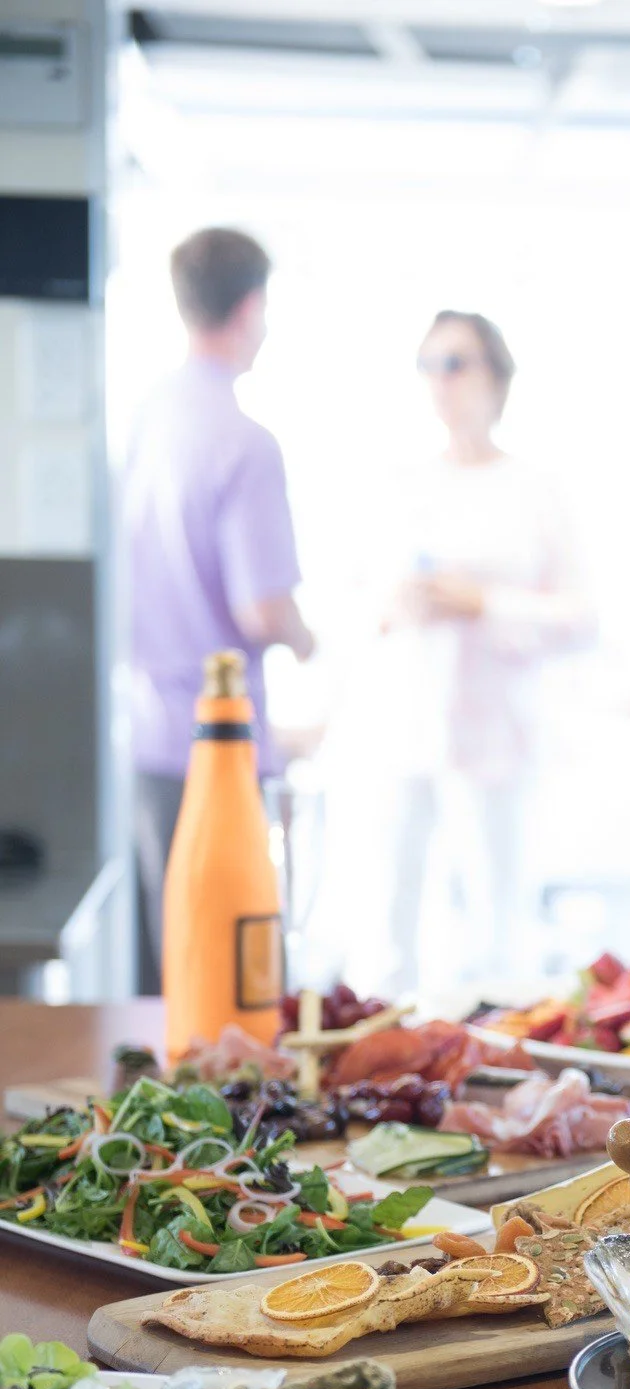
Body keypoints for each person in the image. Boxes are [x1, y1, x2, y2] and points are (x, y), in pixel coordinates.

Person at [377, 310, 593, 990]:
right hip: (410, 727)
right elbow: (362, 610)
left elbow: (580, 619)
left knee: (498, 923)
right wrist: (401, 605)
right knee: (394, 918)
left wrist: (482, 603)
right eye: (428, 365)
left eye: (456, 363)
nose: (441, 381)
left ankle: (494, 1037)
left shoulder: (534, 489)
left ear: (496, 377)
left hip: (499, 733)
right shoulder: (402, 486)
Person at [125, 227, 315, 992]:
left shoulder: (147, 419)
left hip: (146, 739)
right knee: (240, 981)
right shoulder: (244, 442)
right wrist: (311, 641)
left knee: (166, 974)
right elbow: (264, 609)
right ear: (250, 307)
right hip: (222, 751)